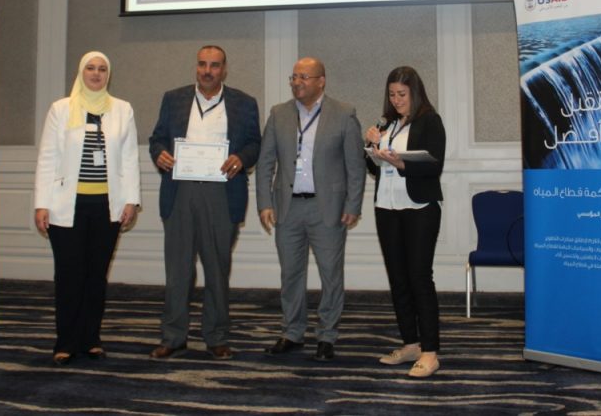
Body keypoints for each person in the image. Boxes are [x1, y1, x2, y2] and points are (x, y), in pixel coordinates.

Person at [148, 45, 261, 361]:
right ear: (196, 67)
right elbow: (157, 139)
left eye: (214, 65)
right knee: (178, 270)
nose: (207, 71)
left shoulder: (244, 103)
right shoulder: (173, 99)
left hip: (222, 194)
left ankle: (216, 336)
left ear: (224, 69)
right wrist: (159, 154)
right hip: (180, 191)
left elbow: (255, 143)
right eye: (202, 64)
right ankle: (173, 336)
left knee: (216, 269)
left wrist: (242, 157)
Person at [34, 51, 141, 366]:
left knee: (96, 275)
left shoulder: (122, 109)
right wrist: (41, 203)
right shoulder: (61, 109)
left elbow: (130, 158)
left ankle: (90, 339)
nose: (96, 74)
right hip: (66, 206)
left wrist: (131, 200)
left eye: (102, 69)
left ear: (109, 74)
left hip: (107, 205)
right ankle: (66, 342)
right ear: (81, 72)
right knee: (69, 275)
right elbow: (48, 157)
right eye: (91, 68)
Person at [256, 56, 366, 361]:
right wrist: (264, 203)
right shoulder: (278, 114)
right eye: (294, 77)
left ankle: (327, 336)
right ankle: (292, 332)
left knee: (331, 274)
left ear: (321, 81)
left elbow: (355, 166)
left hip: (327, 208)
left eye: (304, 77)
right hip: (287, 208)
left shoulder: (344, 114)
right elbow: (266, 163)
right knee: (291, 274)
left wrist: (353, 204)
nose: (297, 82)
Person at [364, 66, 445, 379]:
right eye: (392, 94)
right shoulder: (386, 124)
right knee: (398, 278)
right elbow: (374, 169)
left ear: (415, 93)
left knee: (419, 277)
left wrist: (400, 163)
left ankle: (430, 352)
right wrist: (371, 148)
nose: (396, 100)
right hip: (386, 206)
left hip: (419, 206)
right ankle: (411, 344)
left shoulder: (430, 121)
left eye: (402, 94)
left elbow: (434, 166)